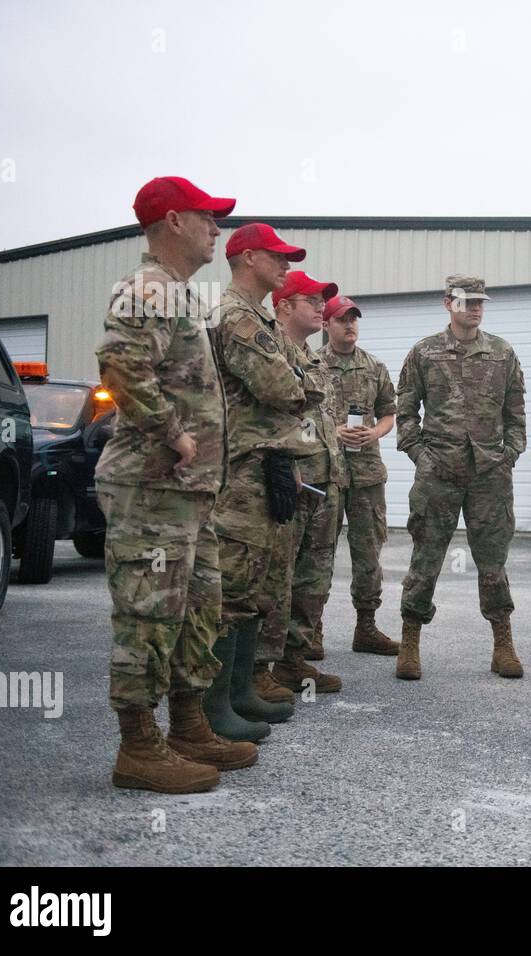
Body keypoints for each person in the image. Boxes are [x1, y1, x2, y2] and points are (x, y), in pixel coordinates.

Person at [96, 176, 253, 793]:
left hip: (190, 493)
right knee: (148, 613)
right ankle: (138, 747)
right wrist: (173, 433)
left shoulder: (180, 294)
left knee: (197, 608)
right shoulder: (147, 289)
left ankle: (188, 725)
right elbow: (119, 363)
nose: (217, 228)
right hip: (153, 488)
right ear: (172, 221)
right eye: (206, 217)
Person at [207, 223, 319, 739]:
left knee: (253, 585)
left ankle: (239, 692)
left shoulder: (257, 319)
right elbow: (281, 385)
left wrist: (299, 382)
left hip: (266, 465)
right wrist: (300, 382)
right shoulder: (236, 317)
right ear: (248, 258)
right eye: (278, 257)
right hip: (240, 469)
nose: (287, 267)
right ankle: (214, 708)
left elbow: (298, 383)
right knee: (232, 586)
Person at [394, 275, 526, 680]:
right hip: (439, 473)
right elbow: (404, 412)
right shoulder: (424, 352)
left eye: (480, 302)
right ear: (448, 303)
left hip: (489, 475)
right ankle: (410, 642)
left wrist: (509, 456)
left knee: (493, 562)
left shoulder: (503, 354)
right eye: (467, 302)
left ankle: (502, 642)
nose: (475, 308)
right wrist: (421, 456)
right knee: (426, 557)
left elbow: (517, 415)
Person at [263, 271, 346, 695]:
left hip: (324, 482)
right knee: (277, 577)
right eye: (311, 300)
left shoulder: (312, 357)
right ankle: (260, 668)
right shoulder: (270, 351)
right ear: (283, 306)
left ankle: (294, 661)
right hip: (292, 484)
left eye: (321, 301)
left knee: (314, 580)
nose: (321, 307)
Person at [320, 295, 399, 657]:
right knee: (317, 553)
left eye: (353, 318)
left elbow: (388, 413)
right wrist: (333, 432)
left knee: (368, 553)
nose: (349, 324)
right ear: (326, 325)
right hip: (327, 473)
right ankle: (308, 631)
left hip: (367, 474)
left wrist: (375, 432)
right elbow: (299, 418)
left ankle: (366, 627)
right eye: (341, 319)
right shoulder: (312, 365)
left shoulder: (374, 366)